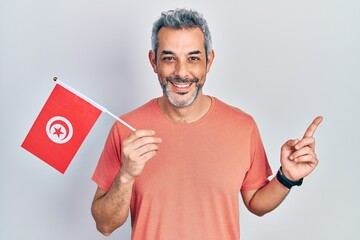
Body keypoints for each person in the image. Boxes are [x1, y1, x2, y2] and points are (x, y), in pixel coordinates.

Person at [91, 8, 323, 239]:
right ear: (153, 62)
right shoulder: (126, 129)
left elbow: (255, 203)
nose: (181, 72)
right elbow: (105, 225)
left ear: (209, 61)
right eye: (169, 58)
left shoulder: (242, 126)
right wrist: (126, 175)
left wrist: (287, 178)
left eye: (193, 58)